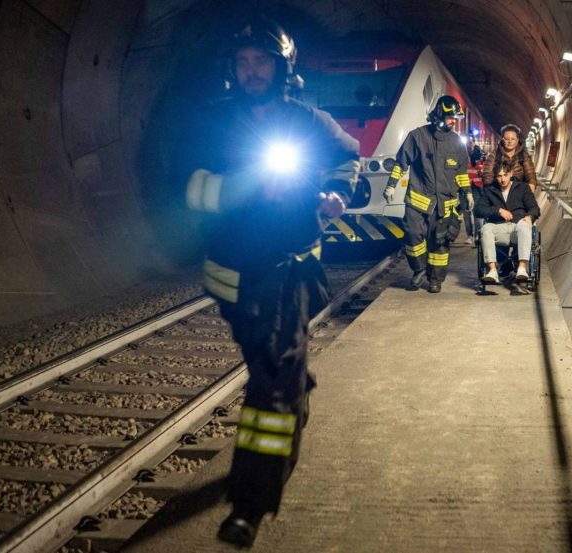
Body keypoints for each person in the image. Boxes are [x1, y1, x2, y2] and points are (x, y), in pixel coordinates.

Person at [180, 18, 360, 547]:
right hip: (234, 275)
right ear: (232, 70)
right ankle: (295, 384)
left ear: (282, 67)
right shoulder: (213, 124)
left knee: (271, 381)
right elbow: (188, 189)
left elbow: (348, 154)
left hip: (289, 269)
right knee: (272, 365)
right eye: (243, 62)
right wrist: (244, 184)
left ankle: (251, 502)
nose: (252, 70)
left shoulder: (306, 120)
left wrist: (333, 193)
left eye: (262, 61)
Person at [382, 95, 471, 293]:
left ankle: (435, 279)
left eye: (455, 118)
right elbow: (401, 163)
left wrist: (467, 193)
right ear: (439, 114)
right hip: (417, 201)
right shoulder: (417, 137)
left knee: (439, 244)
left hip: (444, 204)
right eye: (450, 117)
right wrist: (391, 186)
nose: (453, 121)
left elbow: (461, 173)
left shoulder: (457, 142)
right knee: (413, 237)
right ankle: (419, 270)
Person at [474, 168, 540, 283]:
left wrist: (530, 217)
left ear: (511, 174)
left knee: (525, 225)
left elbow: (534, 208)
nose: (502, 179)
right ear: (495, 176)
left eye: (505, 175)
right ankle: (493, 271)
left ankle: (522, 268)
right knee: (486, 228)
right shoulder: (490, 190)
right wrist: (498, 210)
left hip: (518, 228)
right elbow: (478, 210)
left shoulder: (522, 188)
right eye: (499, 176)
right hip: (499, 228)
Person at [482, 124, 538, 191]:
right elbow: (487, 173)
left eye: (513, 139)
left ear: (517, 140)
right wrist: (493, 191)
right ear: (502, 140)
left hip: (518, 193)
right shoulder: (495, 154)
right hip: (499, 192)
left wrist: (530, 189)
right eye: (506, 139)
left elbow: (530, 174)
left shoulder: (523, 155)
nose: (510, 141)